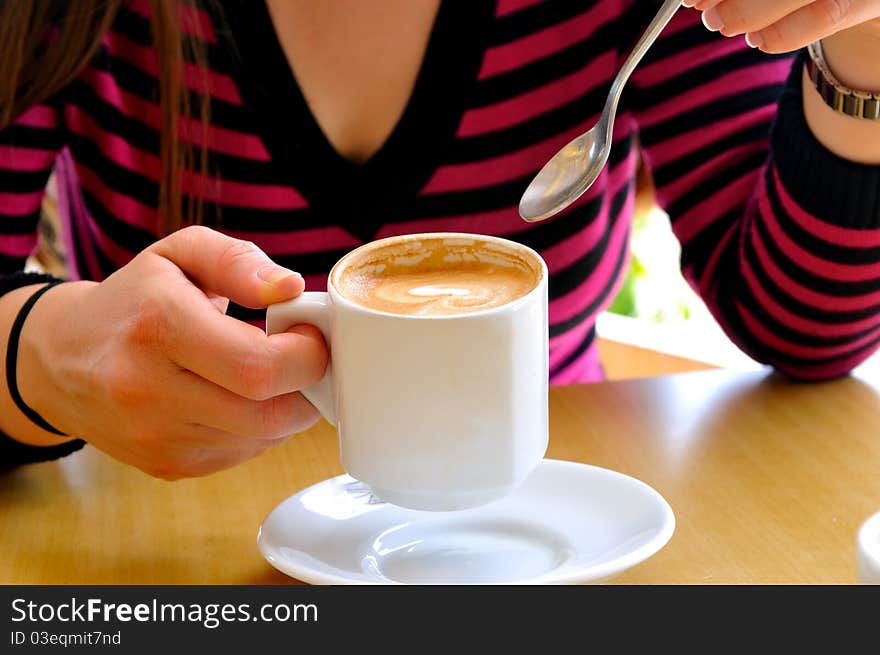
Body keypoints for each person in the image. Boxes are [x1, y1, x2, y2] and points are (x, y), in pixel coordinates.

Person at [0, 0, 878, 477]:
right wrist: (39, 358)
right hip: (175, 560)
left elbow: (803, 323)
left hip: (539, 536)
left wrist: (864, 46)